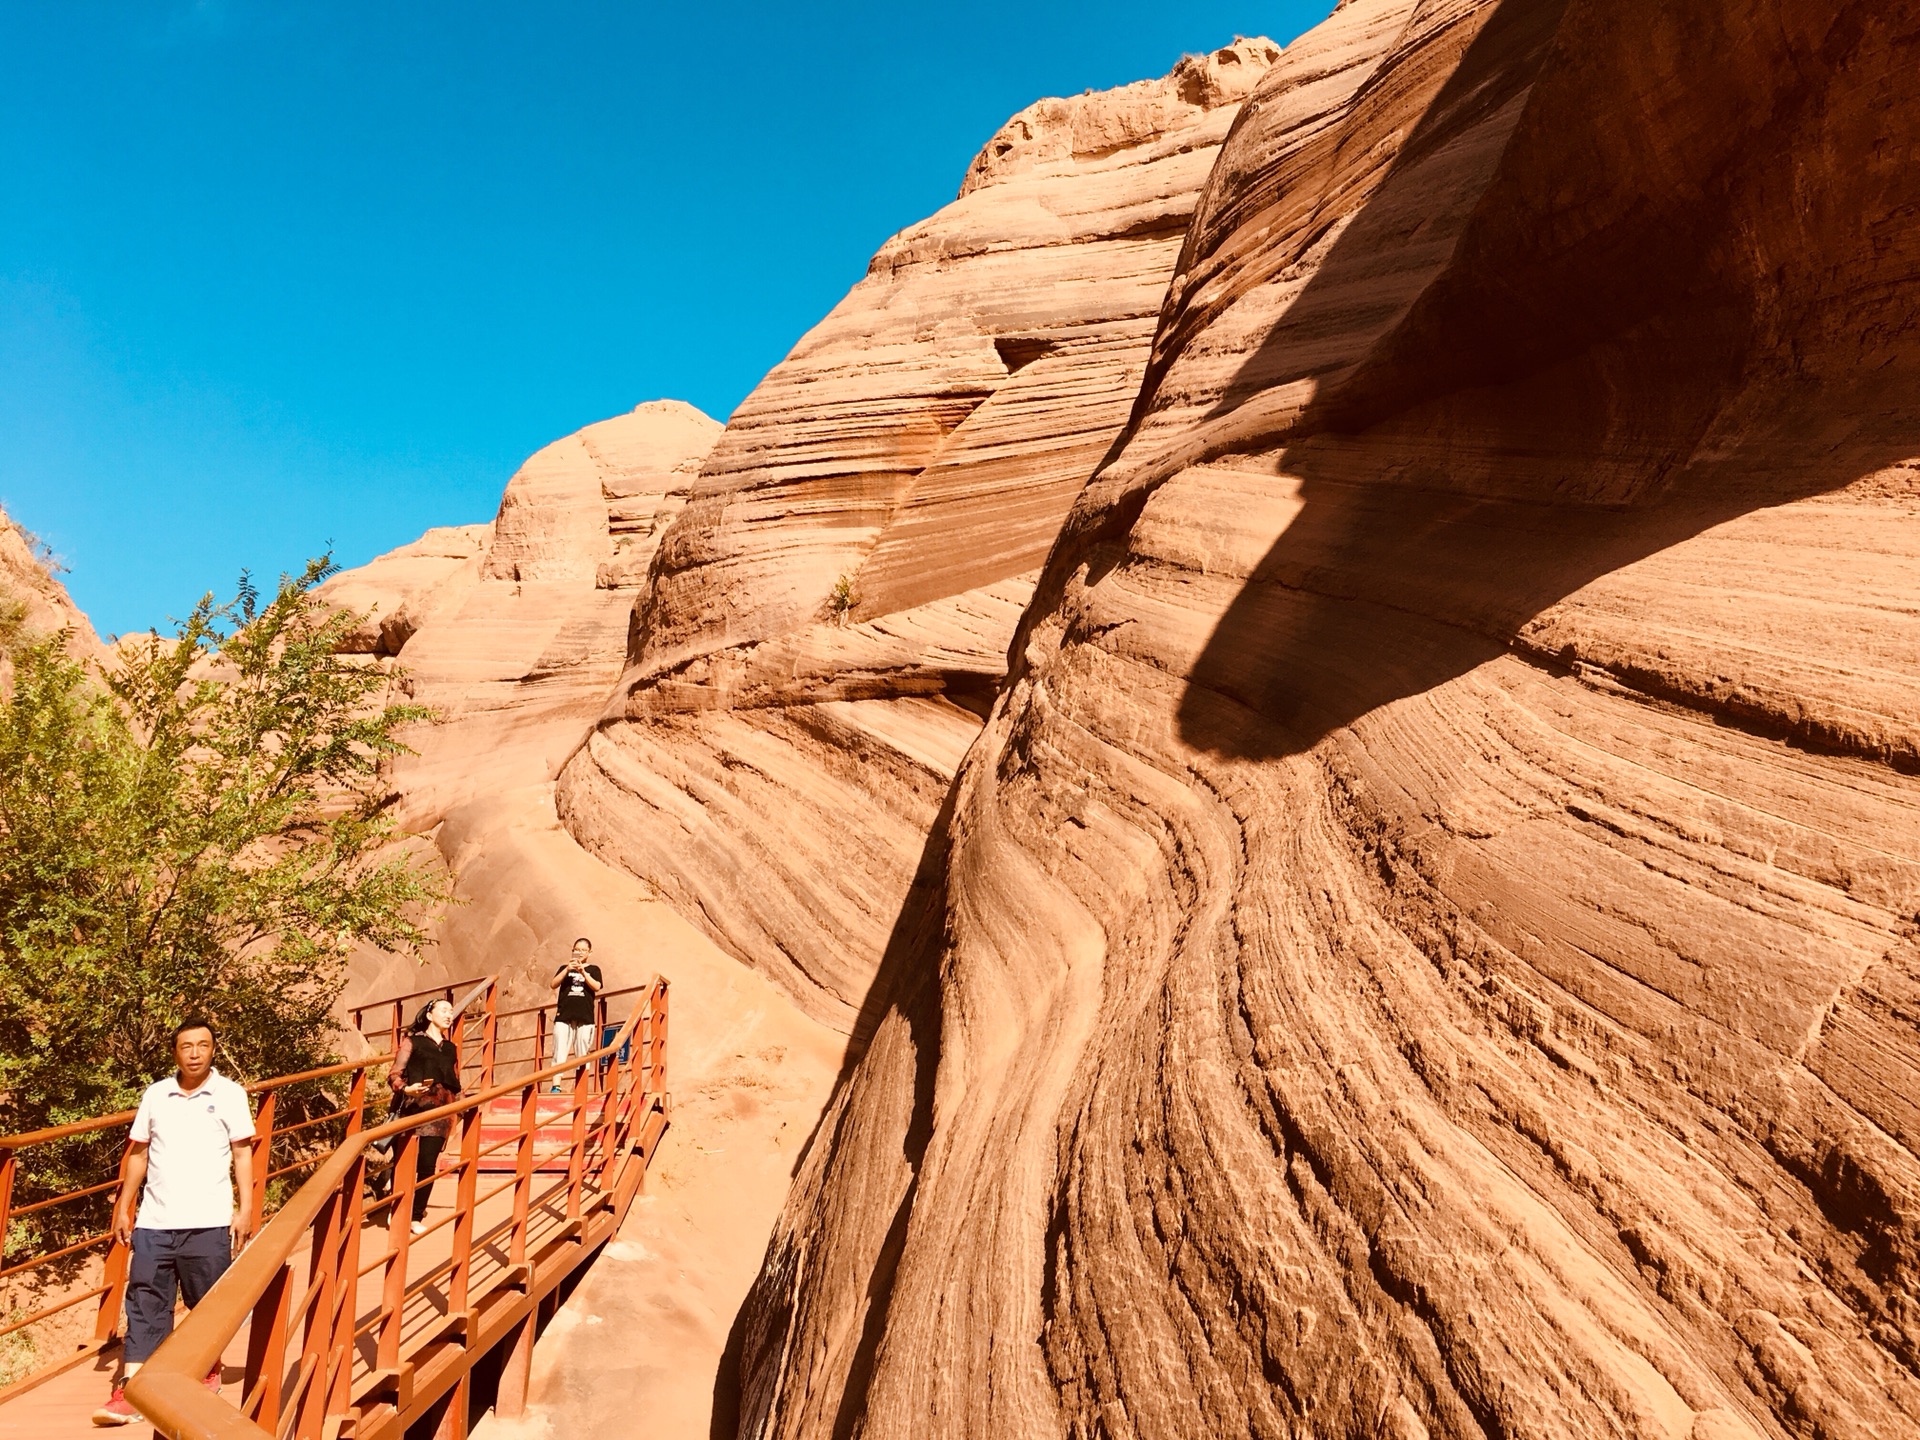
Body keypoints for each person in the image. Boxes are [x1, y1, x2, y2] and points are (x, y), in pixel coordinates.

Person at [92, 1019, 255, 1428]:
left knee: (207, 1302)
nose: (195, 1053)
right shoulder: (156, 1095)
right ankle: (131, 1390)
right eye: (187, 1046)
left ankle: (207, 1369)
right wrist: (125, 1206)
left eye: (203, 1045)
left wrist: (246, 1209)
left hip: (208, 1219)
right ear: (175, 1052)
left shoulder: (230, 1095)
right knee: (145, 1301)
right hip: (155, 1219)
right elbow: (138, 1154)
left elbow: (242, 1155)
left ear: (213, 1050)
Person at [387, 998, 461, 1235]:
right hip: (413, 1109)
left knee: (427, 1165)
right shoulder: (413, 1042)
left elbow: (455, 1082)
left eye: (451, 1011)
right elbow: (394, 1074)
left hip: (441, 1113)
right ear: (429, 1015)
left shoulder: (451, 1048)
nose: (449, 1015)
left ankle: (416, 1215)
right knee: (404, 1163)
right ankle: (397, 1208)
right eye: (443, 1010)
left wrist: (457, 1113)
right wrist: (404, 1088)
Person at [548, 938, 603, 1092]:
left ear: (590, 953)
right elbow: (553, 984)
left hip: (585, 1016)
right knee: (559, 1049)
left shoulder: (594, 969)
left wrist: (583, 972)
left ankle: (581, 1086)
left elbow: (597, 986)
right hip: (564, 1015)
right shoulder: (564, 968)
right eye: (576, 950)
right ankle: (556, 1085)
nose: (579, 953)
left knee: (582, 1052)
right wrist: (567, 970)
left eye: (583, 950)